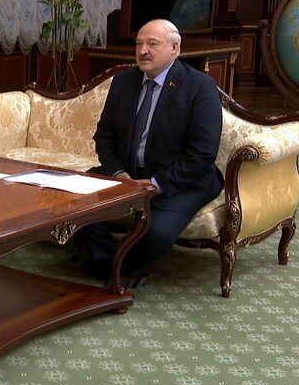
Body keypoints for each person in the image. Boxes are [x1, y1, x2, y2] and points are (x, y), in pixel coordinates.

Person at [76, 19, 224, 287]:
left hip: (181, 180)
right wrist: (118, 173)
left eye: (152, 44)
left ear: (174, 48)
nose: (143, 50)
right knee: (74, 203)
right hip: (128, 174)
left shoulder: (199, 87)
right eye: (139, 44)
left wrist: (156, 184)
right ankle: (114, 266)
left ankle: (115, 266)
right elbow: (104, 137)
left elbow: (202, 154)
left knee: (157, 233)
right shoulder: (123, 82)